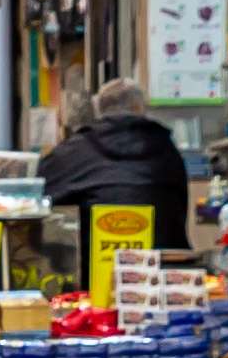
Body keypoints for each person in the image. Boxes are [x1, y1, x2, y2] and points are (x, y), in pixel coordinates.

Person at [40, 73, 196, 259]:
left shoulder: (73, 151)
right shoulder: (166, 150)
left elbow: (39, 195)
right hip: (160, 267)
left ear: (99, 111)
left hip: (90, 269)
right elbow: (179, 208)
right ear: (140, 109)